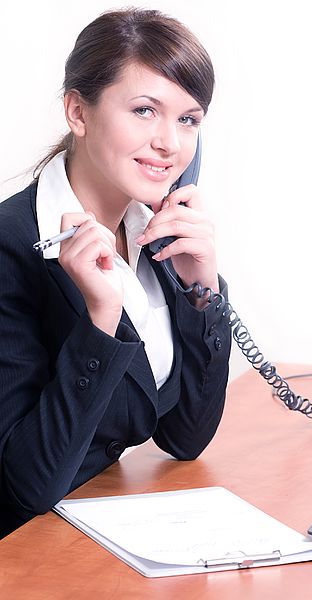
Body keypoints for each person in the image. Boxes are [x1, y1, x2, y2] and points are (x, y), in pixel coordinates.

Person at [0, 7, 231, 539]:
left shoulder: (157, 235)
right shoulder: (13, 247)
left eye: (188, 119)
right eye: (146, 110)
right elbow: (26, 489)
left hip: (103, 531)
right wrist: (100, 319)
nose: (170, 144)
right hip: (26, 558)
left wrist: (202, 291)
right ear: (77, 112)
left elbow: (185, 437)